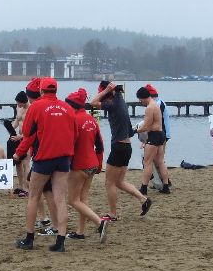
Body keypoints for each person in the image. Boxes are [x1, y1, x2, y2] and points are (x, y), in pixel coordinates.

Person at [13, 77, 76, 251]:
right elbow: (74, 133)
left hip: (44, 158)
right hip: (64, 158)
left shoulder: (36, 107)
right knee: (60, 199)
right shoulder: (67, 108)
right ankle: (60, 241)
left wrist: (19, 152)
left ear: (41, 91)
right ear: (56, 90)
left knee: (33, 196)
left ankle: (29, 238)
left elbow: (27, 132)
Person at [90, 81, 151, 219]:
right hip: (127, 147)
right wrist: (111, 90)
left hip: (118, 147)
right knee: (119, 182)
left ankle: (113, 214)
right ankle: (144, 200)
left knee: (109, 183)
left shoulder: (112, 104)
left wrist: (106, 90)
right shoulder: (120, 101)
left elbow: (93, 103)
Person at [64, 88, 107, 242]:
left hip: (80, 165)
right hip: (92, 164)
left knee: (72, 200)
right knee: (83, 199)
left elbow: (69, 145)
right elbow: (100, 145)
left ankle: (99, 222)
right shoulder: (91, 119)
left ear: (73, 106)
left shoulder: (73, 120)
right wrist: (99, 164)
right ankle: (80, 232)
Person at [134, 87, 167, 192]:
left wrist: (134, 131)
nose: (140, 102)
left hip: (154, 135)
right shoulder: (156, 104)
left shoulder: (149, 107)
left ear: (143, 98)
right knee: (160, 162)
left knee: (147, 162)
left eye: (140, 100)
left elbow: (146, 126)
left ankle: (143, 188)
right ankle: (166, 186)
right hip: (161, 134)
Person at [144, 84, 172, 192]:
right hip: (164, 134)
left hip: (159, 134)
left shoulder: (156, 105)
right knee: (159, 161)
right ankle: (164, 182)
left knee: (157, 161)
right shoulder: (160, 102)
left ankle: (165, 182)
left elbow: (153, 122)